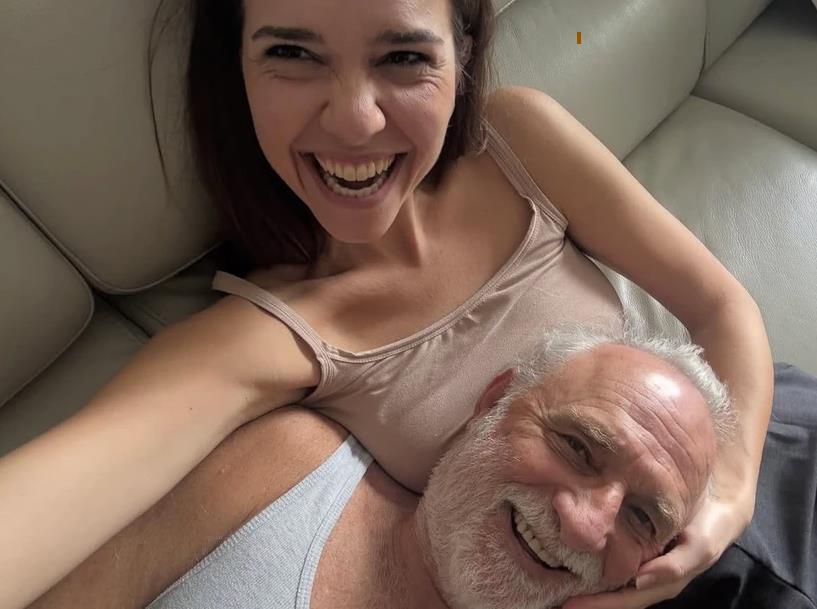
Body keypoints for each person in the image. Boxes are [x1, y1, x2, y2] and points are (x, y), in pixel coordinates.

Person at [0, 0, 773, 608]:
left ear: (460, 54)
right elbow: (52, 497)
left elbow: (719, 306)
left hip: (754, 435)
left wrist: (725, 499)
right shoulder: (268, 334)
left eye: (403, 57)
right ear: (236, 68)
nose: (355, 120)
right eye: (292, 53)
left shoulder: (517, 142)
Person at [26, 328, 735, 609]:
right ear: (492, 402)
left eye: (641, 517)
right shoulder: (289, 469)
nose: (585, 527)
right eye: (577, 446)